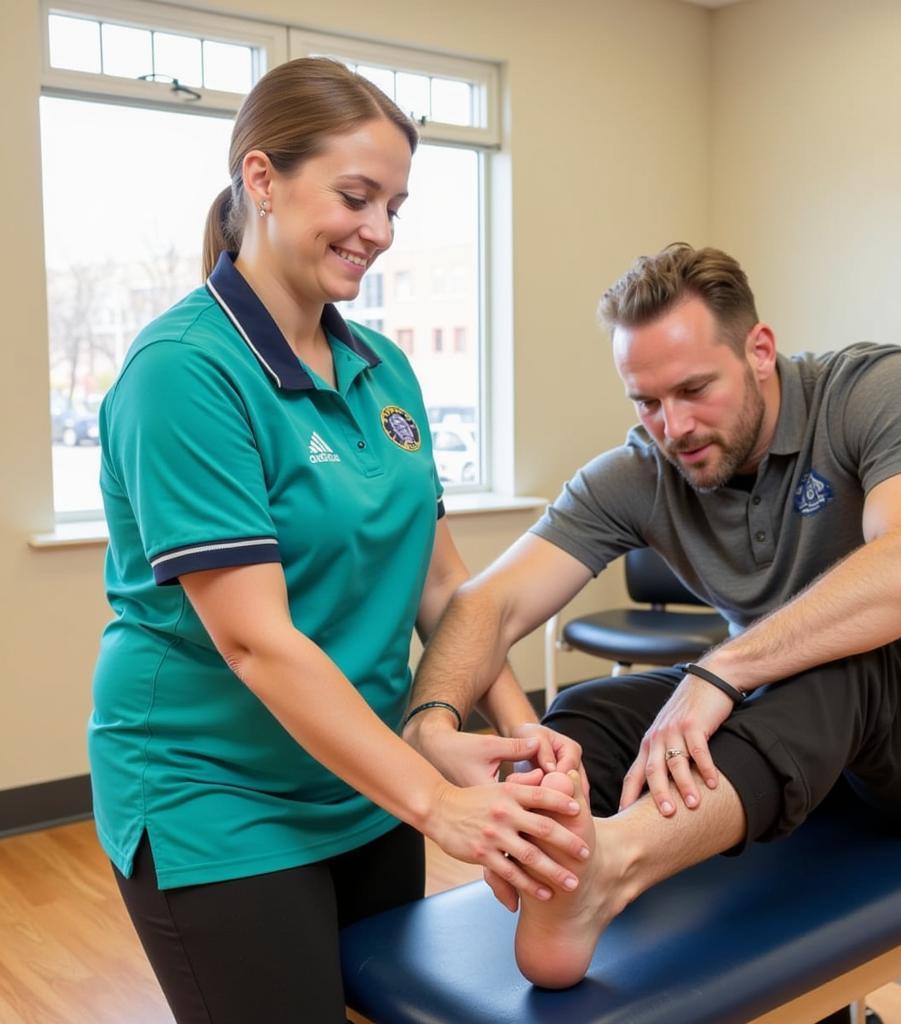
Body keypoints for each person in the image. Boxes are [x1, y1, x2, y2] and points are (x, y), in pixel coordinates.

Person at [88, 57, 589, 1024]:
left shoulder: (383, 367)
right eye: (357, 197)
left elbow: (444, 592)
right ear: (262, 178)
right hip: (217, 793)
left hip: (364, 778)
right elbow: (253, 639)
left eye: (396, 206)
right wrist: (437, 803)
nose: (381, 232)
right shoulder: (185, 372)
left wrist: (518, 734)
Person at [404, 242, 901, 992]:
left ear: (759, 351)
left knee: (850, 658)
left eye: (696, 389)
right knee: (590, 712)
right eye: (648, 401)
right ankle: (554, 860)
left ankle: (614, 865)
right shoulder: (642, 471)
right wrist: (431, 725)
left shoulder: (876, 387)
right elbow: (487, 603)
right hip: (816, 740)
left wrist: (719, 671)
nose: (676, 426)